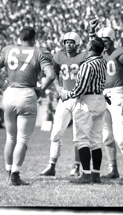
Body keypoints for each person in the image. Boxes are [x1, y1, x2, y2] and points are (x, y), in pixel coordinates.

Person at [0, 26, 56, 186]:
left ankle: (8, 171)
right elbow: (51, 75)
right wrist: (41, 90)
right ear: (34, 37)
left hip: (10, 93)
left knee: (10, 138)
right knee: (22, 139)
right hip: (27, 93)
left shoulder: (8, 49)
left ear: (20, 37)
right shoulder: (39, 52)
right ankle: (15, 175)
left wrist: (4, 85)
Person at [58, 36, 108, 184]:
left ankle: (86, 174)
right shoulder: (102, 62)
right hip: (100, 100)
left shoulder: (88, 65)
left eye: (88, 46)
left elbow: (80, 89)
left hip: (87, 102)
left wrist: (67, 94)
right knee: (96, 141)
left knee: (82, 139)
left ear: (91, 49)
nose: (85, 47)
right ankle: (96, 174)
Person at [40, 32, 87, 177]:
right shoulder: (58, 56)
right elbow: (53, 73)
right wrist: (58, 87)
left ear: (77, 44)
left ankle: (76, 167)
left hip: (80, 98)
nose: (68, 44)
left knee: (78, 135)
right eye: (66, 42)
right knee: (55, 133)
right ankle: (51, 165)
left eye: (71, 42)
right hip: (65, 98)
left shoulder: (83, 56)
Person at [95, 22, 123, 180]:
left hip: (117, 94)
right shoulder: (98, 54)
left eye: (105, 40)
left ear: (112, 40)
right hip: (101, 95)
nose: (103, 43)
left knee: (121, 137)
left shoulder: (122, 53)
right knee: (106, 136)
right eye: (101, 40)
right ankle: (113, 169)